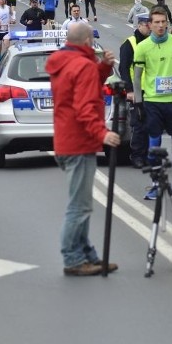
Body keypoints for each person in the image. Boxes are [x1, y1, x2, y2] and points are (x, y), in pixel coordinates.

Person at [46, 22, 120, 276]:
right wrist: (104, 133)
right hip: (79, 144)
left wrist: (103, 68)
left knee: (82, 204)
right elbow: (85, 107)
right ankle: (73, 259)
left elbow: (81, 87)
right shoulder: (83, 66)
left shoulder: (64, 62)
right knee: (79, 206)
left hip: (65, 141)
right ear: (88, 42)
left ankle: (87, 255)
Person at [133, 7, 172, 199]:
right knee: (153, 144)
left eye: (163, 22)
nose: (160, 26)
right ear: (150, 25)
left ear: (167, 23)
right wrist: (139, 103)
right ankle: (156, 183)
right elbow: (137, 77)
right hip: (152, 101)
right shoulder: (142, 47)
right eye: (156, 22)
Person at [119, 13, 151, 168]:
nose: (150, 27)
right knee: (138, 124)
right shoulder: (130, 43)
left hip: (152, 91)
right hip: (137, 91)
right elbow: (123, 68)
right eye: (147, 24)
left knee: (150, 124)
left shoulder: (152, 42)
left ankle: (147, 155)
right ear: (139, 25)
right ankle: (137, 156)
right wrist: (129, 90)